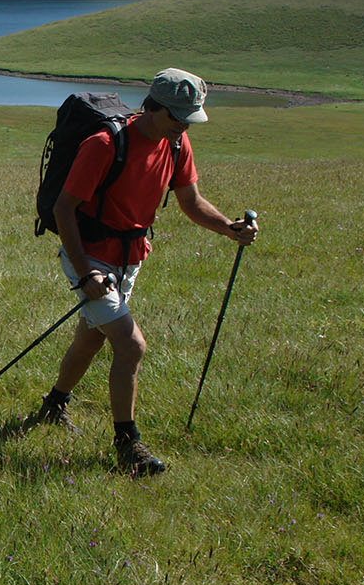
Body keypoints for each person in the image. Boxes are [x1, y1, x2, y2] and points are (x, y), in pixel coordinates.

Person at [23, 68, 258, 475]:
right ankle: (128, 447)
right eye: (176, 117)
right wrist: (85, 273)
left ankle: (53, 405)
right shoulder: (104, 144)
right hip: (90, 257)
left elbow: (191, 200)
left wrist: (229, 227)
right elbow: (64, 209)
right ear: (151, 107)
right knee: (130, 346)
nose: (183, 126)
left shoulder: (176, 144)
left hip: (129, 257)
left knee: (91, 338)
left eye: (188, 119)